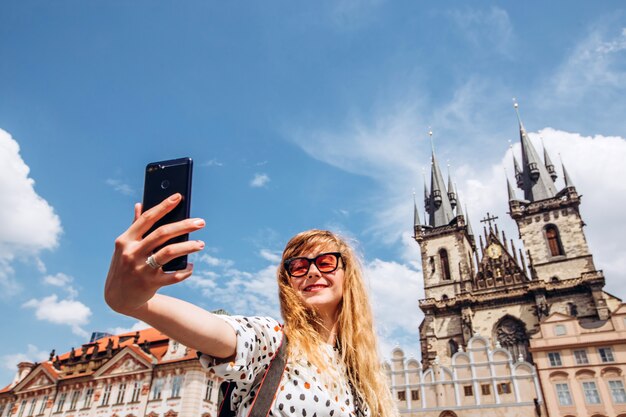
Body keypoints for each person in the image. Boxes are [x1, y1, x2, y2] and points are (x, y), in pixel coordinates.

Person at [104, 194, 397, 417]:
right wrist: (134, 302)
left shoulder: (363, 373)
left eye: (325, 262)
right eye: (297, 266)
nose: (312, 271)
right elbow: (221, 332)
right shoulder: (274, 342)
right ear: (288, 282)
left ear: (348, 275)